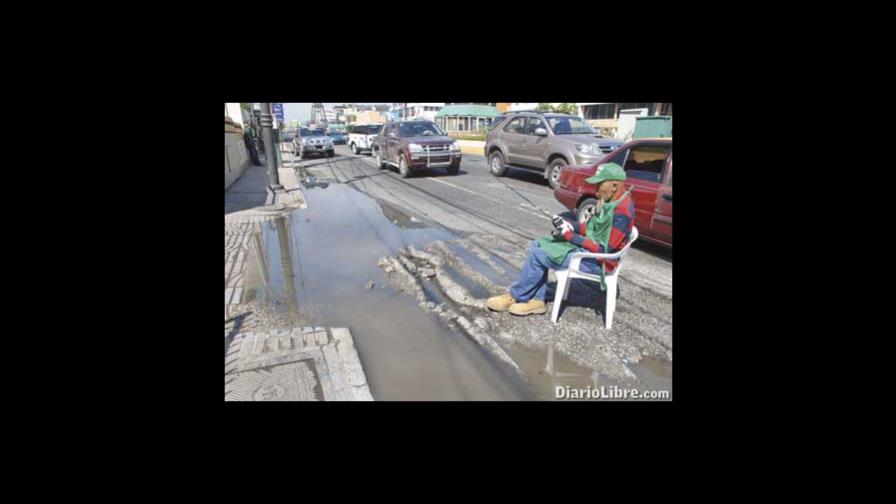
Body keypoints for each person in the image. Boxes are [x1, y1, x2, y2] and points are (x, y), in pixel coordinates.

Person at [486, 162, 635, 316]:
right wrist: (569, 225)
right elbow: (591, 229)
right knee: (538, 244)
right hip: (590, 254)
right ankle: (537, 300)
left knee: (539, 255)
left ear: (615, 186)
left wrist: (570, 236)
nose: (596, 191)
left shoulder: (621, 213)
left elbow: (603, 249)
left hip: (597, 263)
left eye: (599, 185)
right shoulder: (611, 202)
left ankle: (516, 296)